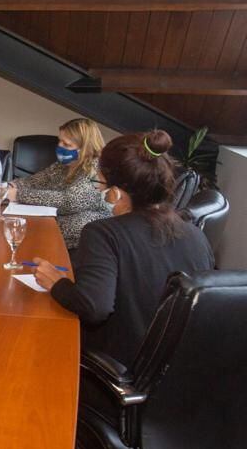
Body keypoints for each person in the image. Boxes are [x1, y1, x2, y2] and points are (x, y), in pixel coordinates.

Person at [31, 130, 214, 367]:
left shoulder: (103, 233)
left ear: (116, 192)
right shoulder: (196, 234)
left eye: (99, 181)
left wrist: (57, 283)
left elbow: (94, 307)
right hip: (180, 368)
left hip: (121, 365)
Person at [5, 118, 111, 251]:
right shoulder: (63, 165)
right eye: (59, 141)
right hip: (54, 229)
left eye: (66, 144)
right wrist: (4, 188)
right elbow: (33, 181)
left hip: (83, 241)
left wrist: (19, 194)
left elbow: (69, 201)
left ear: (86, 148)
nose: (60, 146)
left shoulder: (96, 167)